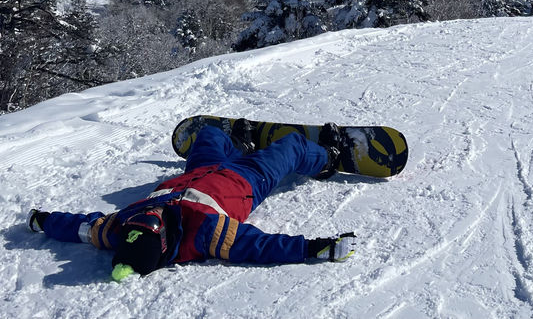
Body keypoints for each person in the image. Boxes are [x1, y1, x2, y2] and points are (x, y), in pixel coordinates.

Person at [27, 120, 356, 280]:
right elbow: (259, 247)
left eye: (143, 219)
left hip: (197, 173)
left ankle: (238, 144)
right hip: (246, 180)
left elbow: (80, 227)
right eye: (155, 222)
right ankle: (328, 156)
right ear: (165, 239)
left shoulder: (115, 229)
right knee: (292, 146)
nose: (152, 213)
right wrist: (316, 248)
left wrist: (43, 221)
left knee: (209, 134)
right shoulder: (205, 233)